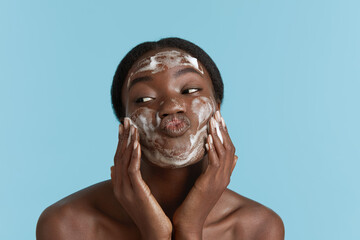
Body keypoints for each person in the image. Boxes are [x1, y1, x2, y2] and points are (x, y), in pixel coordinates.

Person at [36, 37, 284, 240]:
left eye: (190, 91)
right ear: (124, 123)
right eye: (144, 99)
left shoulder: (258, 228)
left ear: (218, 109)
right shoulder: (67, 226)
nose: (172, 106)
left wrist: (189, 228)